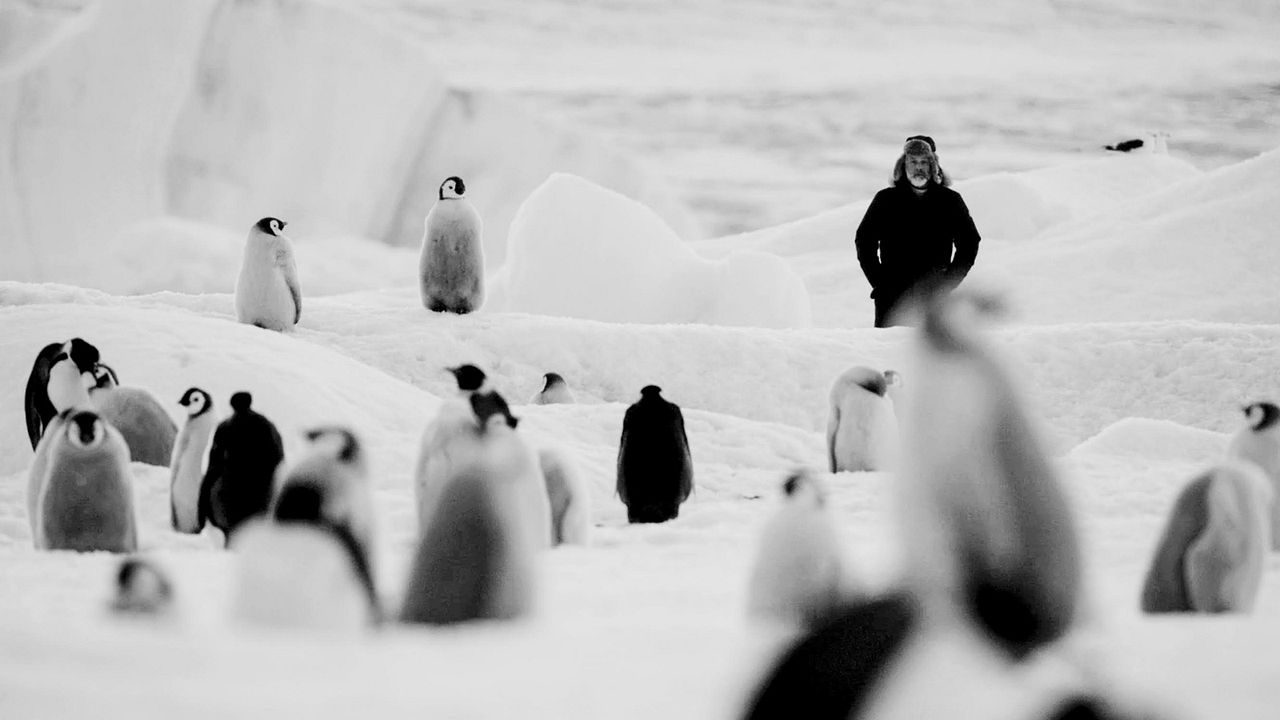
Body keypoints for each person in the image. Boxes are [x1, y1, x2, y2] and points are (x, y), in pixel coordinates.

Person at [855, 135, 981, 328]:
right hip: (892, 300)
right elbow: (864, 241)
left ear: (934, 167)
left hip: (933, 298)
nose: (918, 167)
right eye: (913, 161)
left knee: (928, 355)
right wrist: (880, 283)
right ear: (903, 165)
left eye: (924, 162)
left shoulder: (950, 202)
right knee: (887, 353)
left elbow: (970, 243)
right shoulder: (885, 200)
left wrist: (947, 284)